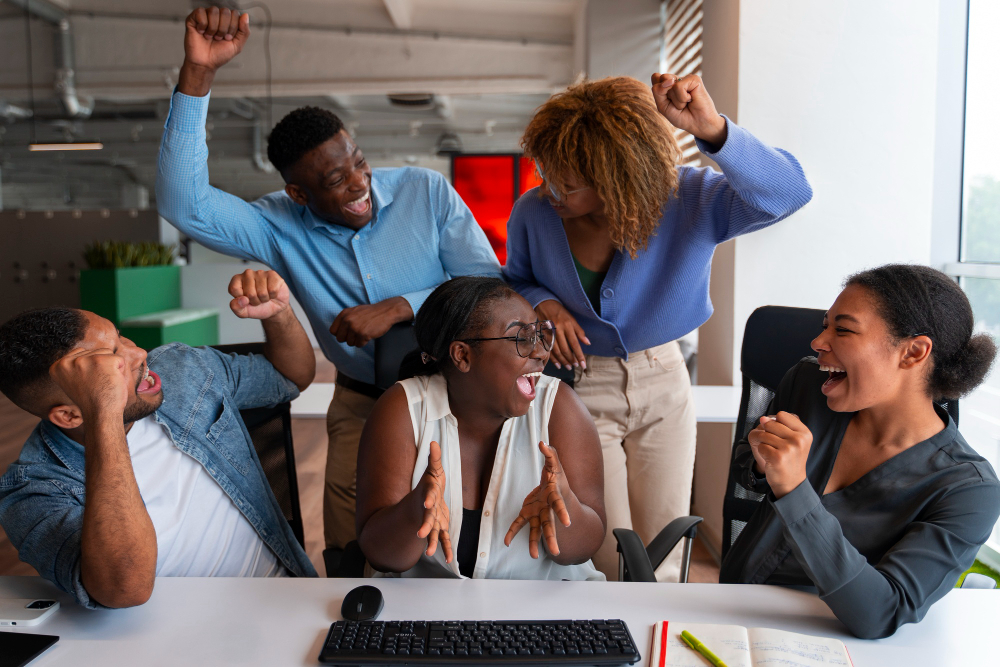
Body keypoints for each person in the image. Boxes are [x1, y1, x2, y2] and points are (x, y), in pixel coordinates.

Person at [155, 7, 502, 555]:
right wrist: (199, 75)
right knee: (352, 545)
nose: (360, 185)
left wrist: (401, 306)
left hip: (452, 395)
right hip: (362, 401)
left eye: (359, 164)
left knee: (459, 538)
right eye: (337, 181)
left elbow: (486, 284)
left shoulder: (424, 191)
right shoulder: (276, 223)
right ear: (299, 194)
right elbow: (184, 203)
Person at [504, 73, 813, 580]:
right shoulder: (534, 214)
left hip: (665, 379)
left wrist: (712, 129)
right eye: (545, 173)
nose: (549, 189)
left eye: (567, 182)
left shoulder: (690, 201)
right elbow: (515, 280)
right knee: (601, 550)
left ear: (613, 176)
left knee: (666, 548)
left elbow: (788, 192)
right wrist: (543, 304)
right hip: (578, 385)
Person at [0, 269, 318, 609]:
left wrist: (279, 315)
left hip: (282, 598)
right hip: (166, 638)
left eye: (121, 338)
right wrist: (103, 414)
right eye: (110, 364)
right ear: (69, 416)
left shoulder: (181, 369)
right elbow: (125, 590)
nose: (138, 354)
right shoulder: (34, 491)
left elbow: (290, 378)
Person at [720, 264, 1000, 639]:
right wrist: (760, 459)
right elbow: (745, 467)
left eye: (843, 329)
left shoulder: (969, 490)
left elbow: (882, 612)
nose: (818, 342)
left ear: (913, 352)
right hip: (729, 608)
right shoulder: (808, 384)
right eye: (825, 325)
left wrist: (794, 490)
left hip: (834, 638)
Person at [355, 277, 606, 580]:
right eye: (521, 338)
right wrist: (414, 510)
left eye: (540, 335)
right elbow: (383, 557)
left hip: (539, 613)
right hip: (430, 615)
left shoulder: (560, 407)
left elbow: (584, 548)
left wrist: (565, 504)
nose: (540, 352)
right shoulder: (402, 409)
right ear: (462, 355)